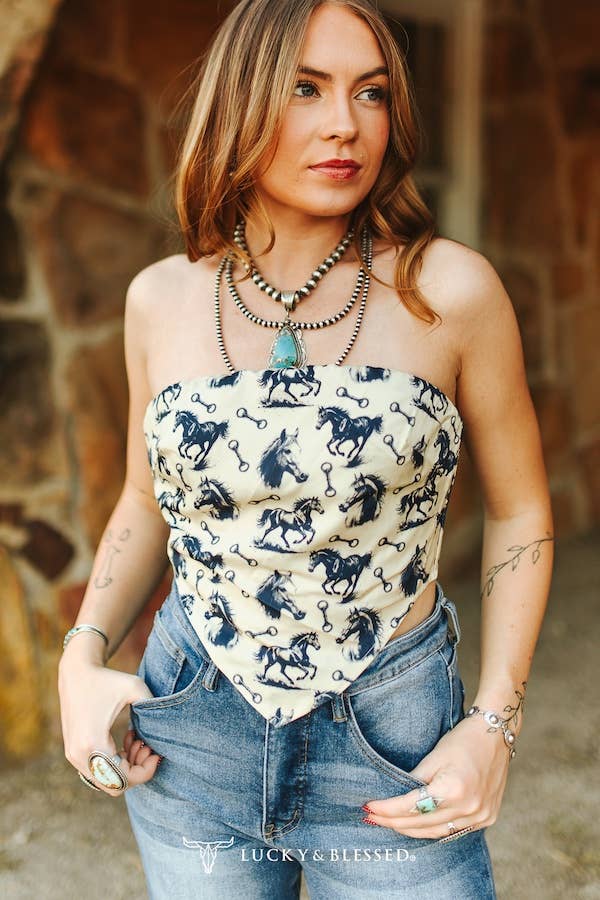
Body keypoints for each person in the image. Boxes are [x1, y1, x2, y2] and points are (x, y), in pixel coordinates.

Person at [58, 1, 554, 897]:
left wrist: (494, 725)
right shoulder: (160, 299)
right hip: (191, 733)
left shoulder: (451, 290)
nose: (344, 125)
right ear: (238, 101)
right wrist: (79, 657)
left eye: (371, 92)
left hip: (390, 745)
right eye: (305, 88)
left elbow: (521, 510)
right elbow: (143, 499)